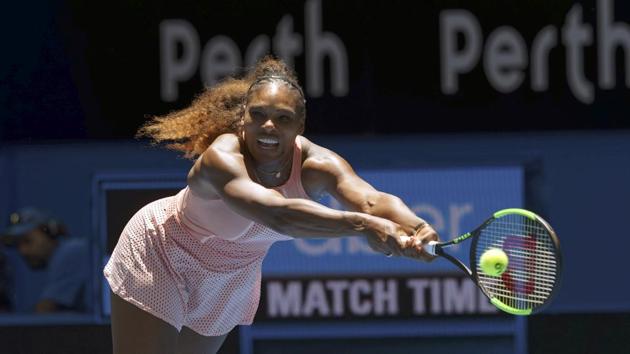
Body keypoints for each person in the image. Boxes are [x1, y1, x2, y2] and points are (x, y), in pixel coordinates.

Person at [104, 56, 439, 354]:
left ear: (300, 126)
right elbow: (276, 214)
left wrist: (417, 227)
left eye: (283, 118)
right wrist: (363, 225)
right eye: (259, 115)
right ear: (242, 119)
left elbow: (371, 200)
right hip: (162, 252)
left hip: (231, 275)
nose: (269, 125)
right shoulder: (222, 158)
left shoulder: (317, 165)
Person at [1, 207, 90, 313]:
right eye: (17, 245)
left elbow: (44, 311)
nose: (22, 251)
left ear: (50, 233)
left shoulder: (71, 251)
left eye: (27, 241)